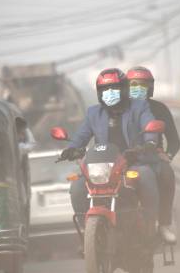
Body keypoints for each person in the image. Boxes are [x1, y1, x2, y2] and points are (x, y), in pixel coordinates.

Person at [61, 68, 160, 235]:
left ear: (124, 89)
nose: (110, 93)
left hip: (132, 163)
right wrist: (71, 149)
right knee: (77, 186)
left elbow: (150, 126)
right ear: (99, 93)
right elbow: (81, 136)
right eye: (105, 89)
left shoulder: (139, 106)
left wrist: (150, 142)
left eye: (114, 88)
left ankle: (152, 224)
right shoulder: (93, 113)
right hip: (103, 168)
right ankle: (88, 232)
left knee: (147, 176)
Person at [126, 66, 179, 244]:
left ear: (150, 87)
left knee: (167, 175)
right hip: (122, 159)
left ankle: (163, 224)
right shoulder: (119, 109)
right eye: (133, 84)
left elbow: (174, 140)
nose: (138, 88)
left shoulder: (159, 109)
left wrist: (167, 155)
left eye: (143, 84)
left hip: (151, 159)